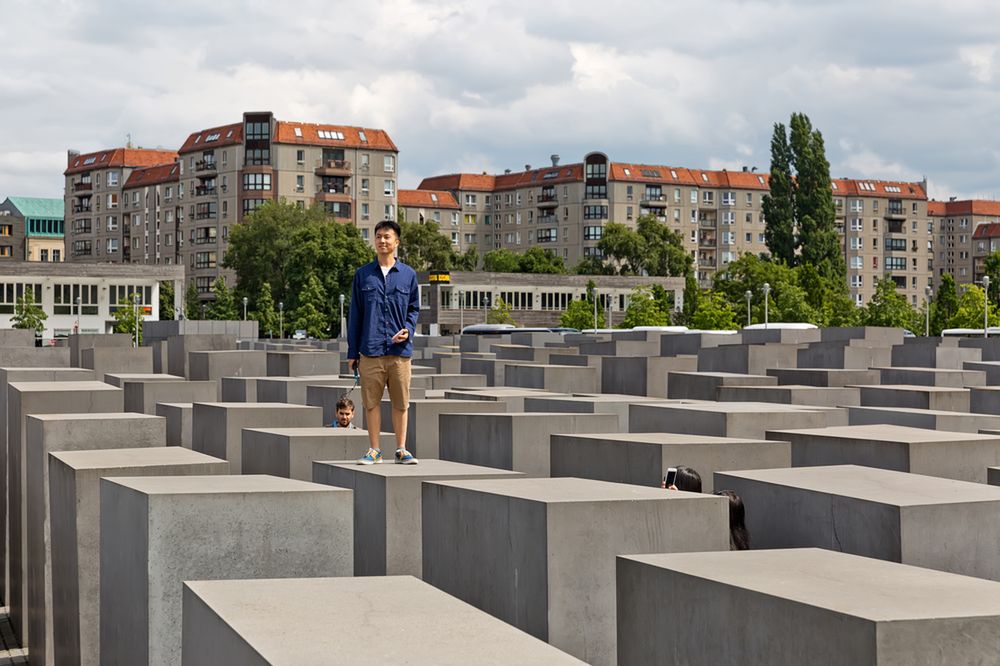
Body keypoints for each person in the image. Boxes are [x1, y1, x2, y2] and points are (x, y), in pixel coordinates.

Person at [347, 219, 420, 465]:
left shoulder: (409, 275)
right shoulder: (363, 275)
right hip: (370, 350)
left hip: (400, 352)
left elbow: (414, 309)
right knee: (371, 402)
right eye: (378, 236)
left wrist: (408, 330)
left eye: (387, 236)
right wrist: (352, 352)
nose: (382, 240)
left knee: (401, 402)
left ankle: (401, 449)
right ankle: (375, 449)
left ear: (396, 242)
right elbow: (355, 314)